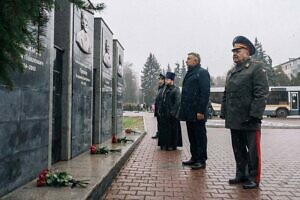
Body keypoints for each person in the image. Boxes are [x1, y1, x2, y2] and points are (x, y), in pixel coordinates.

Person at [220, 36, 269, 189]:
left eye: (238, 50)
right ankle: (241, 173)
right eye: (233, 51)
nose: (235, 53)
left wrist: (255, 115)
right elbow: (227, 93)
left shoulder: (256, 68)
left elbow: (261, 93)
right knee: (238, 149)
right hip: (235, 118)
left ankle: (254, 178)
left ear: (247, 52)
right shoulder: (231, 71)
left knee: (253, 151)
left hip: (249, 118)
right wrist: (224, 112)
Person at [180, 53, 210, 169]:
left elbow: (205, 93)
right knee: (192, 136)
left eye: (188, 59)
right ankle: (194, 157)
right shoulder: (190, 73)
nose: (186, 61)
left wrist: (201, 111)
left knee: (200, 136)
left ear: (196, 61)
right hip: (189, 112)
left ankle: (201, 160)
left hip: (198, 112)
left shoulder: (202, 73)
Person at [158, 72, 182, 150]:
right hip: (164, 114)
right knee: (165, 130)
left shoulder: (176, 89)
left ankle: (172, 145)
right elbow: (162, 99)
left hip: (172, 115)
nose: (165, 81)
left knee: (172, 130)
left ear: (171, 80)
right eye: (165, 79)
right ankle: (164, 144)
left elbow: (178, 102)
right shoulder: (164, 89)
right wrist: (160, 110)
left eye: (167, 79)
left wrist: (173, 113)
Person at [152, 73, 166, 139]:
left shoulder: (164, 88)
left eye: (160, 79)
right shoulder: (160, 87)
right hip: (158, 108)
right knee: (159, 122)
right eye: (159, 79)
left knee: (162, 123)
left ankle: (162, 134)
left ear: (163, 80)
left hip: (161, 108)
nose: (159, 81)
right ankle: (159, 133)